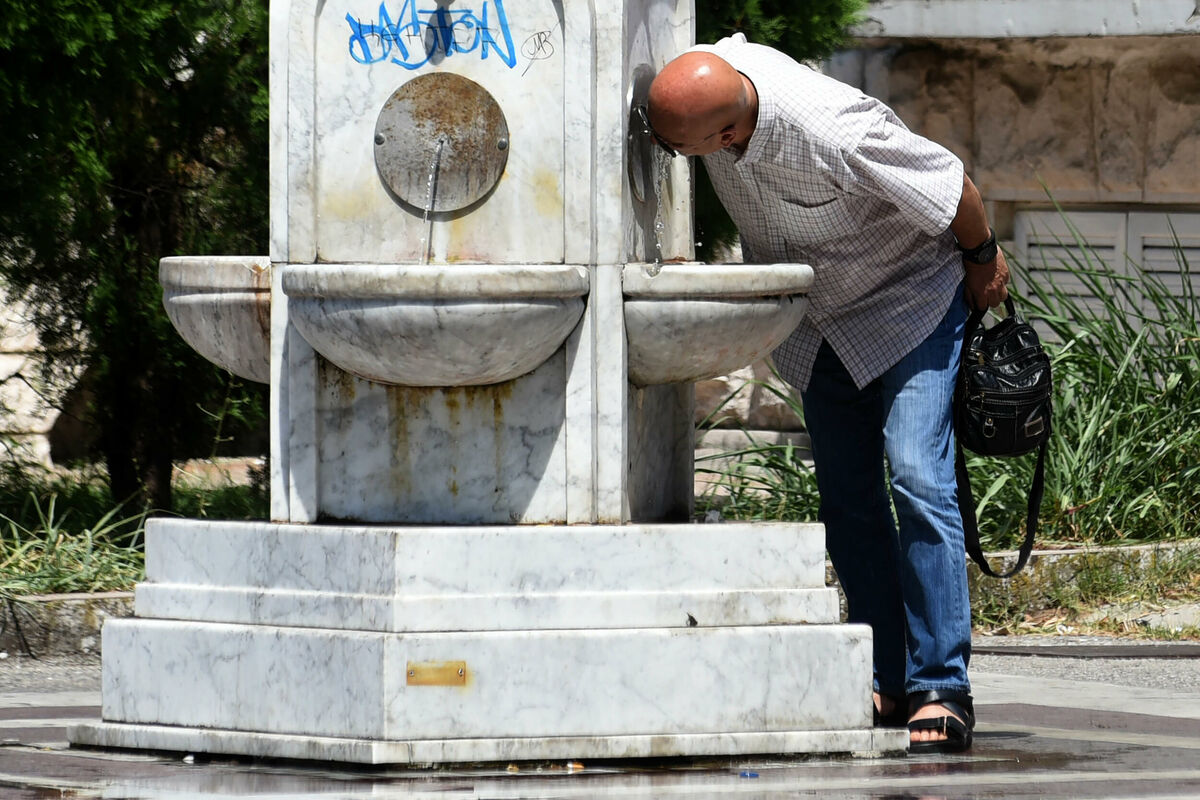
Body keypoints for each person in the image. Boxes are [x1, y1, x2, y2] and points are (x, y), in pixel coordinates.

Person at [647, 34, 1010, 754]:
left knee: (917, 478)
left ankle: (942, 684)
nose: (678, 157)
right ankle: (887, 674)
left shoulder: (833, 129)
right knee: (848, 499)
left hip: (910, 300)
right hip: (823, 323)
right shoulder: (709, 84)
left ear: (726, 135)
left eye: (682, 150)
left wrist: (982, 259)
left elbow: (951, 185)